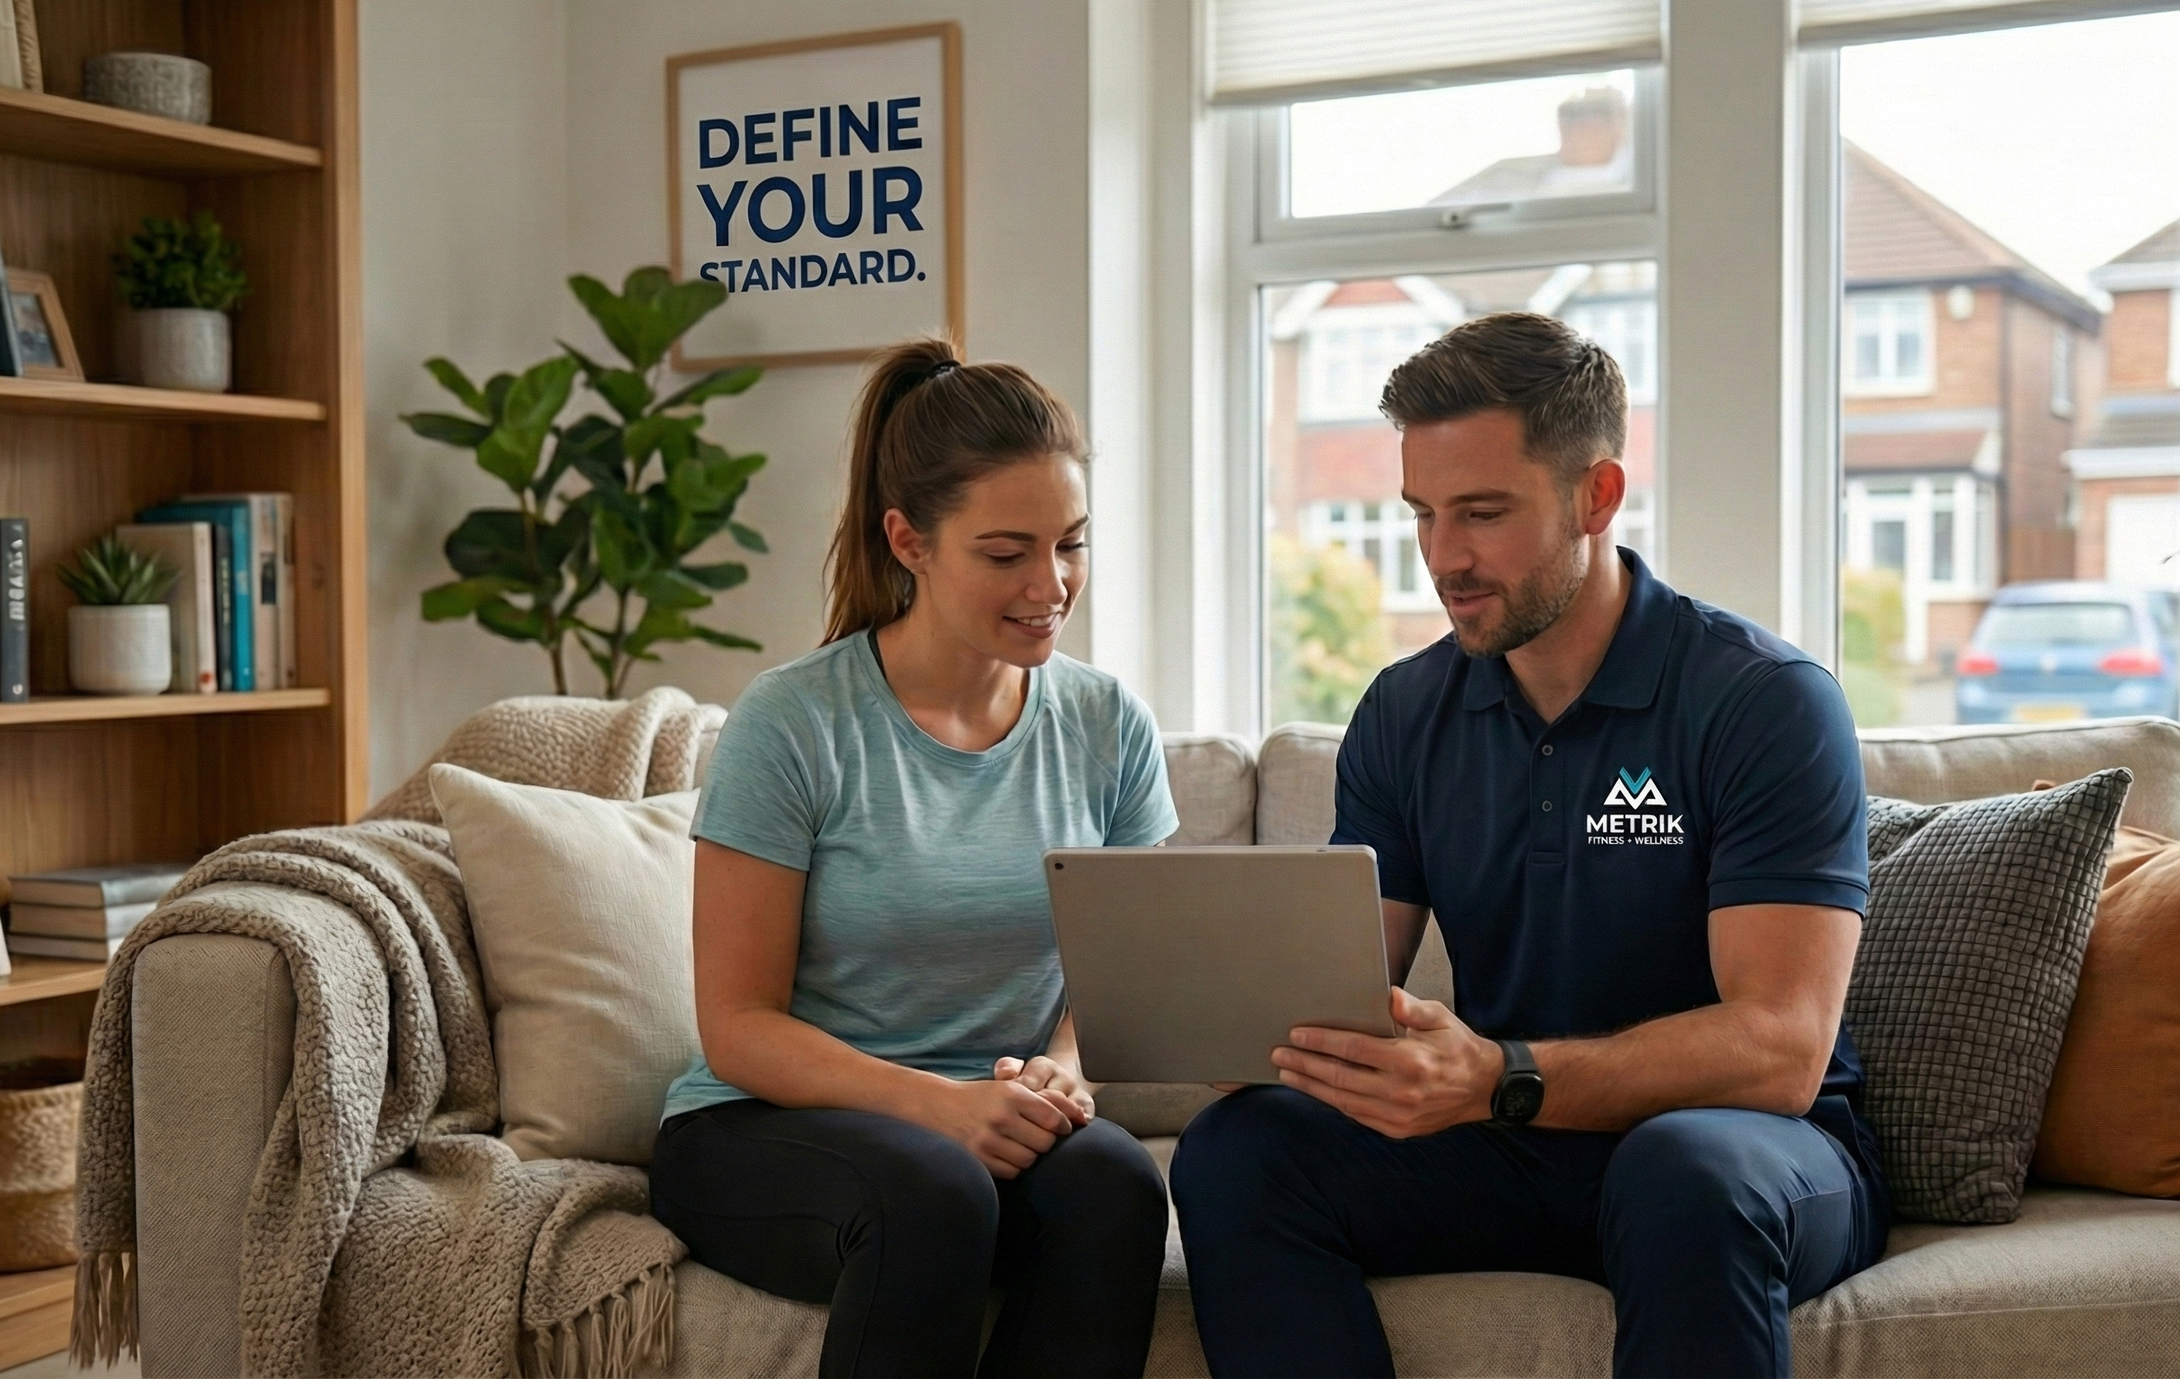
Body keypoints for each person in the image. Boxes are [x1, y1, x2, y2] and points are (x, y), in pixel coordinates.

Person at [1171, 312, 1888, 1379]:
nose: (1442, 559)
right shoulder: (1405, 713)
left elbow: (1780, 1049)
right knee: (1242, 1152)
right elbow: (1338, 988)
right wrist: (1254, 1038)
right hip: (1510, 1145)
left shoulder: (1762, 703)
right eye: (1421, 514)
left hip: (1745, 1149)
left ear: (1595, 495)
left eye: (1483, 512)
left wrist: (1500, 1075)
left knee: (1680, 1168)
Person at [650, 340, 1180, 1379]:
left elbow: (1127, 982)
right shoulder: (795, 721)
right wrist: (941, 1106)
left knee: (1115, 1183)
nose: (1051, 582)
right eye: (1006, 551)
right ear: (910, 540)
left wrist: (1059, 1077)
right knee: (936, 1188)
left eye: (1071, 542)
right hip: (766, 1128)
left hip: (991, 1113)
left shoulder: (1106, 720)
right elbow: (739, 1026)